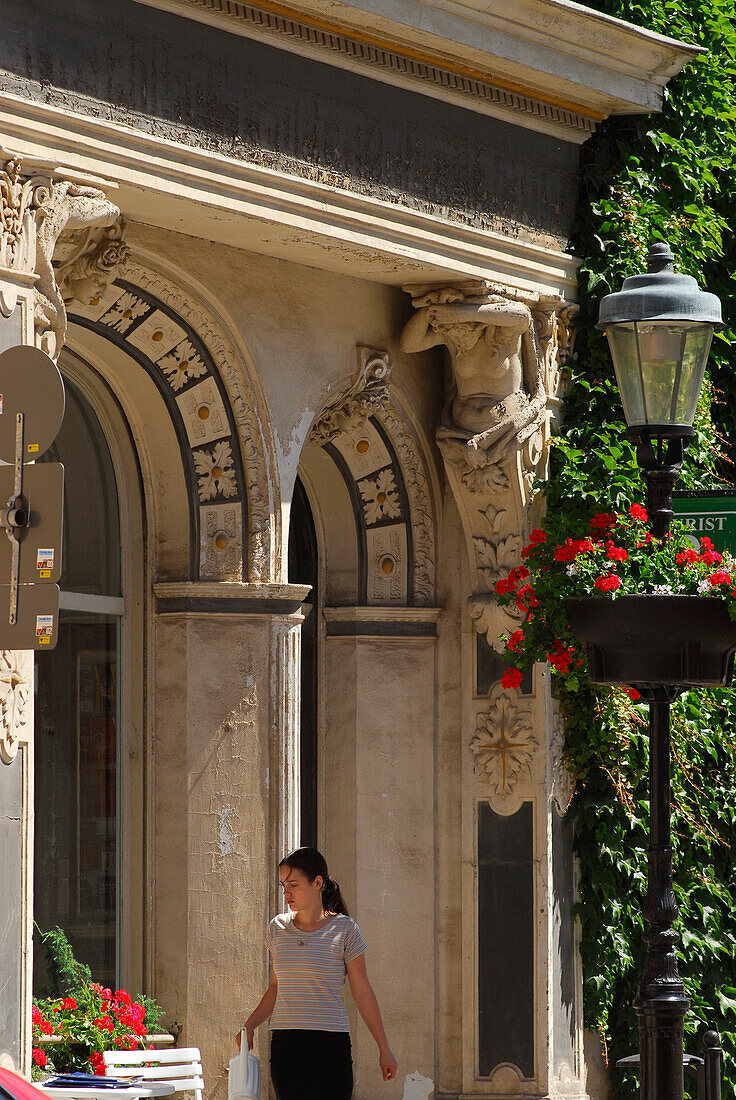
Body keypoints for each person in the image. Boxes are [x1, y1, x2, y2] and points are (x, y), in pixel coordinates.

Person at [237, 847, 397, 1098]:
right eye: (283, 885)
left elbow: (362, 992)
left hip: (330, 1046)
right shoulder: (277, 928)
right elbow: (277, 988)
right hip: (286, 1046)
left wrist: (384, 1048)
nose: (286, 892)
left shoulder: (345, 928)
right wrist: (249, 1026)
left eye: (293, 884)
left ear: (317, 883)